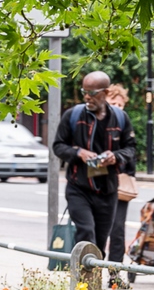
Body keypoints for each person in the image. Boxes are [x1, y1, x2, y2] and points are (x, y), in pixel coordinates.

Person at [53, 71, 137, 256]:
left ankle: (92, 282)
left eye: (92, 93)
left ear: (106, 93)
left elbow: (130, 149)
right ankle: (82, 283)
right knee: (86, 233)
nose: (87, 97)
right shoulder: (73, 116)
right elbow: (58, 146)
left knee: (99, 242)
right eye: (85, 92)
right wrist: (79, 153)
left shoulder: (120, 118)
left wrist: (115, 157)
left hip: (108, 191)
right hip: (79, 188)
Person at [106, 83, 132, 280]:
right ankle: (91, 271)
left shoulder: (125, 124)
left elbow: (132, 153)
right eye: (112, 103)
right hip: (97, 184)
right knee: (96, 230)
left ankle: (115, 275)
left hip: (119, 185)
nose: (117, 107)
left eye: (120, 105)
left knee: (117, 230)